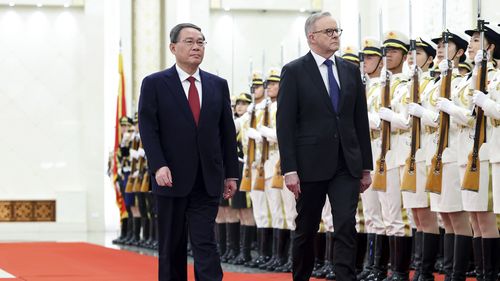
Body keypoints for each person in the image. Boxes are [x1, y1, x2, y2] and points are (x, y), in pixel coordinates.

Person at [138, 23, 239, 281]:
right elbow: (149, 130)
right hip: (170, 177)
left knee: (206, 242)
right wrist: (158, 165)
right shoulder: (155, 84)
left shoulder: (218, 85)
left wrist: (231, 174)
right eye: (190, 41)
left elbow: (227, 133)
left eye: (201, 42)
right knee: (172, 245)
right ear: (173, 47)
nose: (197, 47)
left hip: (208, 179)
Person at [276, 12, 373, 281]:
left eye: (336, 30)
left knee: (345, 225)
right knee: (306, 228)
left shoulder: (350, 70)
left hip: (346, 163)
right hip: (310, 165)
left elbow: (359, 121)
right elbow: (284, 125)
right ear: (312, 37)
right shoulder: (294, 71)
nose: (335, 36)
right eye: (329, 31)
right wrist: (290, 169)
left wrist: (366, 166)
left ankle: (345, 277)